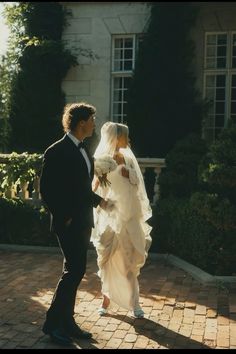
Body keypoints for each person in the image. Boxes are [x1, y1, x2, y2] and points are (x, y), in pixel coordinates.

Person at [39, 102, 111, 346]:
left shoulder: (84, 150)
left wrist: (100, 202)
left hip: (83, 221)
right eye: (92, 119)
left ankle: (67, 322)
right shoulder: (56, 151)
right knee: (74, 271)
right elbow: (47, 190)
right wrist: (64, 216)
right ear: (82, 123)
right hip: (68, 223)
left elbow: (80, 188)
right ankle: (53, 324)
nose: (94, 124)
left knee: (74, 271)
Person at [91, 122, 152, 318]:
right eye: (125, 135)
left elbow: (138, 185)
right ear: (116, 138)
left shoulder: (127, 158)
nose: (128, 139)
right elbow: (94, 188)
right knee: (107, 261)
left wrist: (130, 174)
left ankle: (135, 304)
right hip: (110, 214)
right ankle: (106, 300)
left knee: (129, 261)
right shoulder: (102, 160)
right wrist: (100, 179)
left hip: (128, 215)